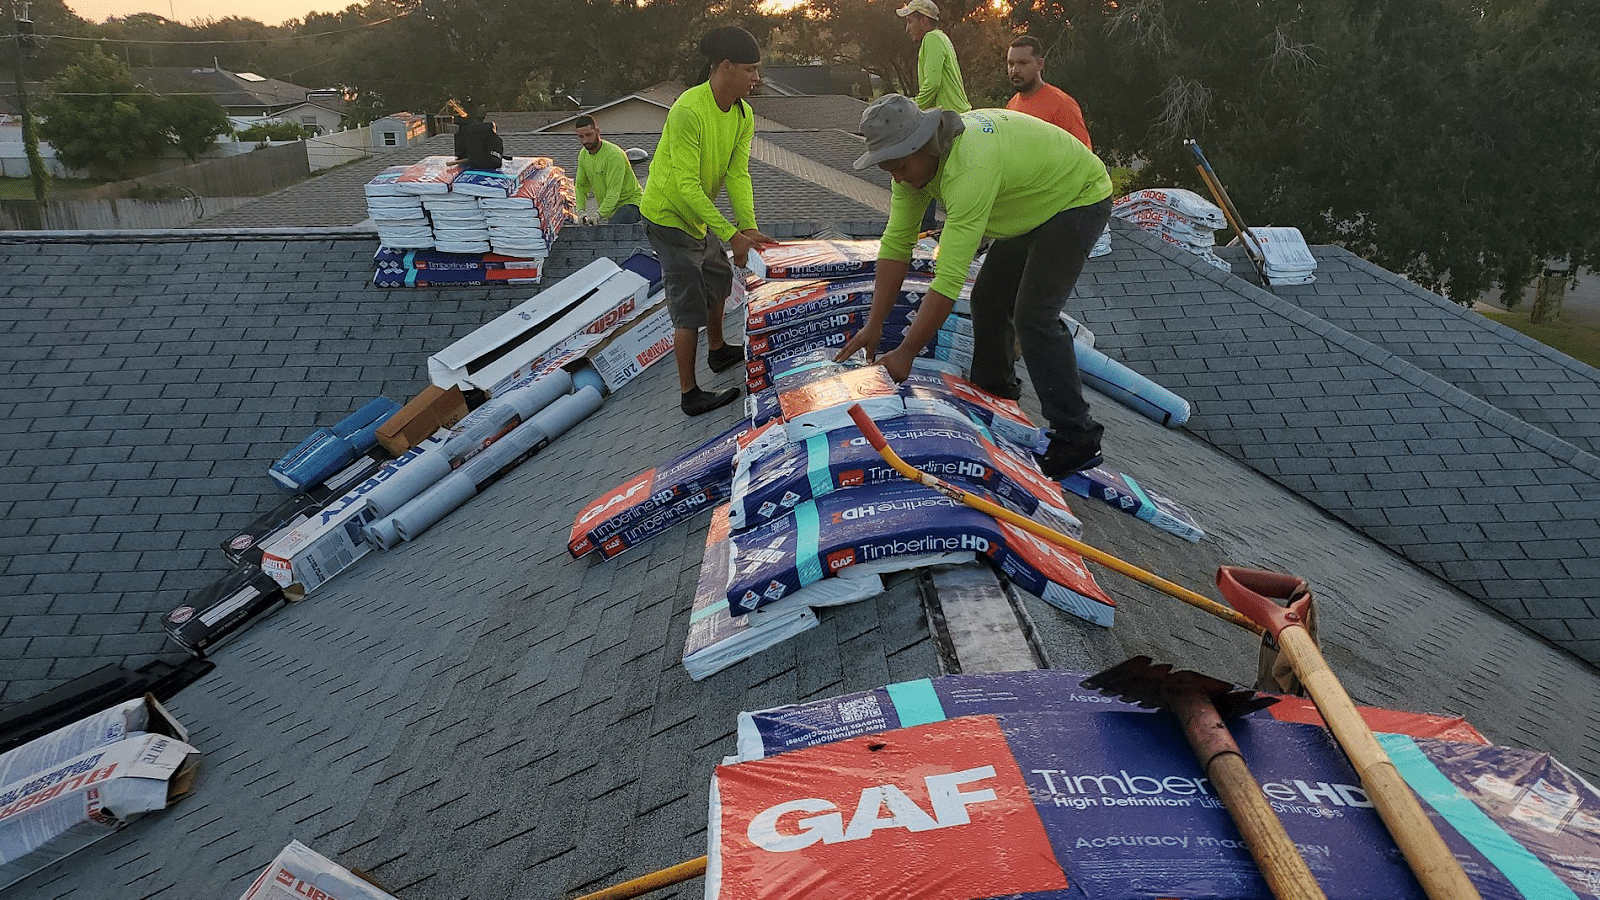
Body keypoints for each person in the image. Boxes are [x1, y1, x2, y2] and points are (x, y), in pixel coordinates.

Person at [836, 95, 1113, 477]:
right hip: (1025, 201)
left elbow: (948, 278)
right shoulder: (912, 167)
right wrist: (874, 325)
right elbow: (897, 244)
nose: (896, 177)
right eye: (888, 170)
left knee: (1034, 315)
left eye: (898, 166)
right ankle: (996, 395)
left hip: (1076, 197)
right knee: (988, 299)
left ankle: (1077, 436)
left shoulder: (970, 169)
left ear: (922, 145)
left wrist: (907, 352)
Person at [641, 26, 777, 417]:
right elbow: (684, 184)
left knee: (718, 277)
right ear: (725, 67)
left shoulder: (742, 113)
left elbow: (738, 174)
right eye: (750, 69)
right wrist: (728, 232)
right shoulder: (689, 109)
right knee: (688, 304)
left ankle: (717, 351)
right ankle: (689, 393)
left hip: (700, 217)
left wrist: (746, 227)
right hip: (668, 217)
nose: (756, 78)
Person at [1005, 35, 1092, 149]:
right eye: (1011, 64)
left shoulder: (1062, 105)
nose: (1015, 70)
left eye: (1023, 63)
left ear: (1040, 64)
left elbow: (1084, 154)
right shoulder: (1011, 105)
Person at [898, 0, 969, 114]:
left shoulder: (932, 38)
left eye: (910, 22)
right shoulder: (941, 37)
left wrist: (913, 107)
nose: (907, 29)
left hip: (949, 118)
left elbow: (932, 83)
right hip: (956, 114)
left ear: (923, 20)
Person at [573, 115, 645, 225]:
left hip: (631, 205)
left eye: (589, 135)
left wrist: (598, 215)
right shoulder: (583, 155)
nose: (585, 140)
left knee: (613, 230)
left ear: (597, 131)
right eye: (581, 136)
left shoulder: (614, 155)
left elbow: (613, 192)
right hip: (611, 210)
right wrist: (581, 212)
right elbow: (581, 186)